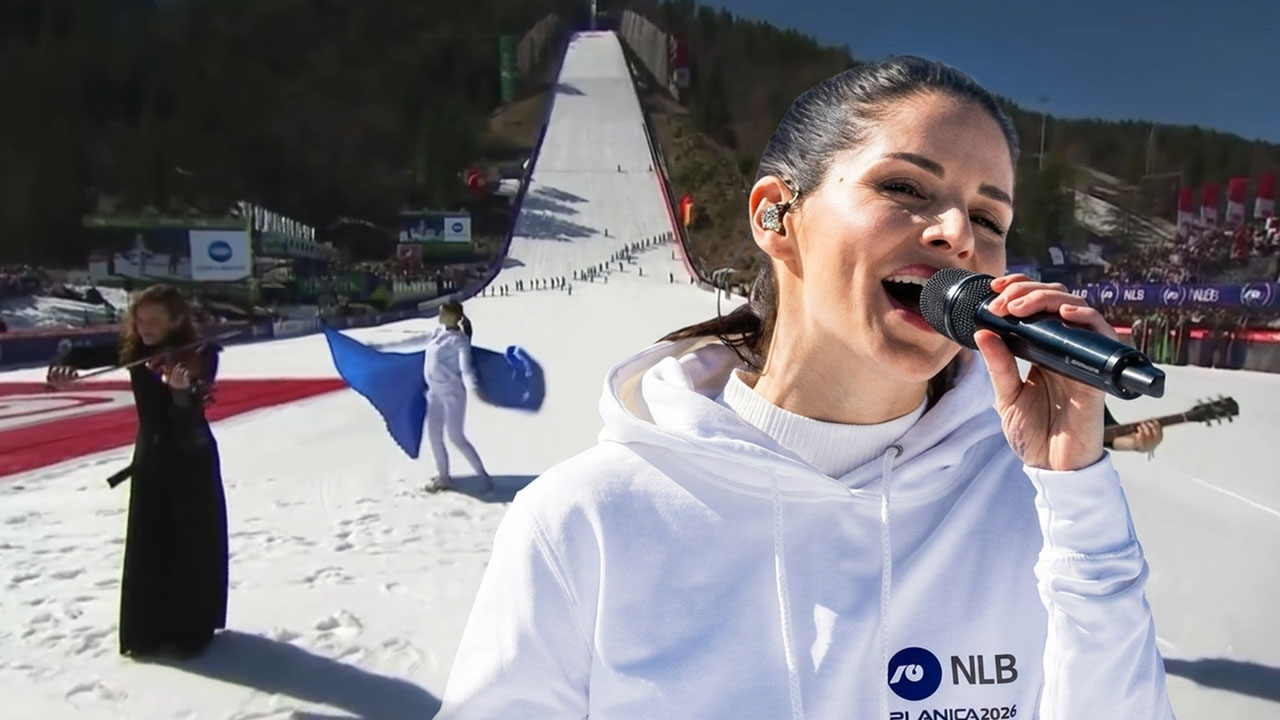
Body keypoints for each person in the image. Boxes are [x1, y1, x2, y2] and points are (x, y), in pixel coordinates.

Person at [437, 56, 1176, 718]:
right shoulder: (587, 520)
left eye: (989, 216)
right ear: (775, 216)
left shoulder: (1036, 511)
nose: (958, 233)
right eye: (904, 187)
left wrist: (1076, 491)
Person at [46, 284, 228, 659]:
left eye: (153, 321)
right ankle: (147, 630)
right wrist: (65, 371)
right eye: (139, 320)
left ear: (176, 319)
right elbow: (83, 354)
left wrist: (180, 392)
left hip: (190, 456)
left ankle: (190, 631)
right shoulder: (133, 350)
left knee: (189, 545)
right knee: (149, 542)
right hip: (151, 456)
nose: (144, 328)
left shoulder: (200, 354)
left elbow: (190, 412)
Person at [423, 300, 490, 494]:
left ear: (453, 315)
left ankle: (484, 477)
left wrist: (474, 388)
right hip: (434, 392)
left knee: (455, 436)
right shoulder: (438, 333)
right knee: (434, 435)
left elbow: (465, 369)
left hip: (452, 394)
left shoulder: (459, 341)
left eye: (443, 313)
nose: (439, 316)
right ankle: (444, 477)